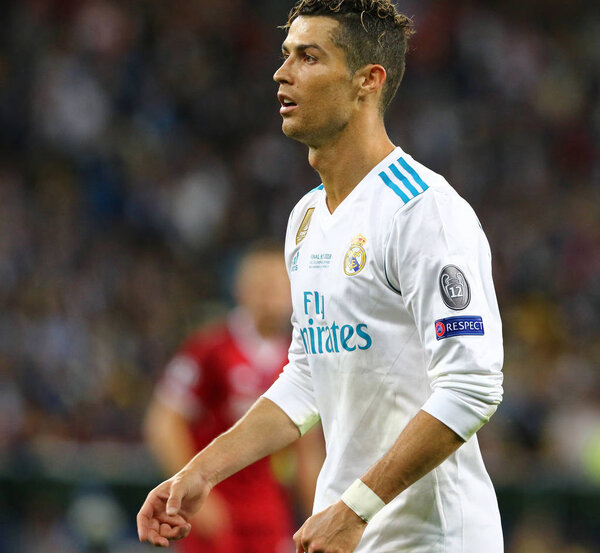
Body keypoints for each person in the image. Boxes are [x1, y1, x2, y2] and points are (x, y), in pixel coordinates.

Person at [137, 1, 504, 552]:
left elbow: (473, 386)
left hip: (431, 538)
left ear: (367, 82)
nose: (282, 74)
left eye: (309, 57)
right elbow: (307, 375)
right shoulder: (307, 218)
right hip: (341, 534)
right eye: (285, 55)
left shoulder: (423, 212)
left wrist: (355, 509)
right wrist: (202, 472)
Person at [143, 241, 323, 553]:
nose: (273, 296)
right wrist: (192, 491)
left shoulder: (300, 358)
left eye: (280, 286)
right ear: (241, 290)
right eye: (263, 286)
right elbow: (162, 423)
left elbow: (306, 450)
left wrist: (318, 514)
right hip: (213, 509)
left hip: (269, 512)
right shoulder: (210, 349)